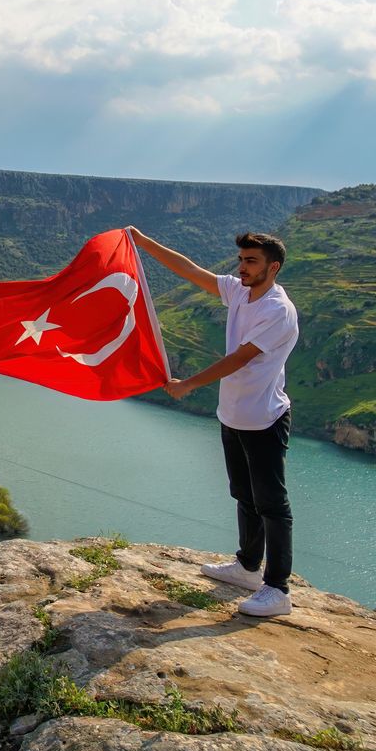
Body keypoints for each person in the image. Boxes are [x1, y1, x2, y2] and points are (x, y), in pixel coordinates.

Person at [126, 227, 301, 618]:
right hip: (234, 415)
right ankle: (247, 566)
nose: (241, 267)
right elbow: (190, 271)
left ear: (272, 267)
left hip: (264, 419)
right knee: (243, 493)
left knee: (272, 503)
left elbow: (240, 358)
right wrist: (145, 241)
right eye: (240, 259)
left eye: (250, 261)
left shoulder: (277, 310)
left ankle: (278, 589)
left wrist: (188, 384)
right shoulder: (241, 290)